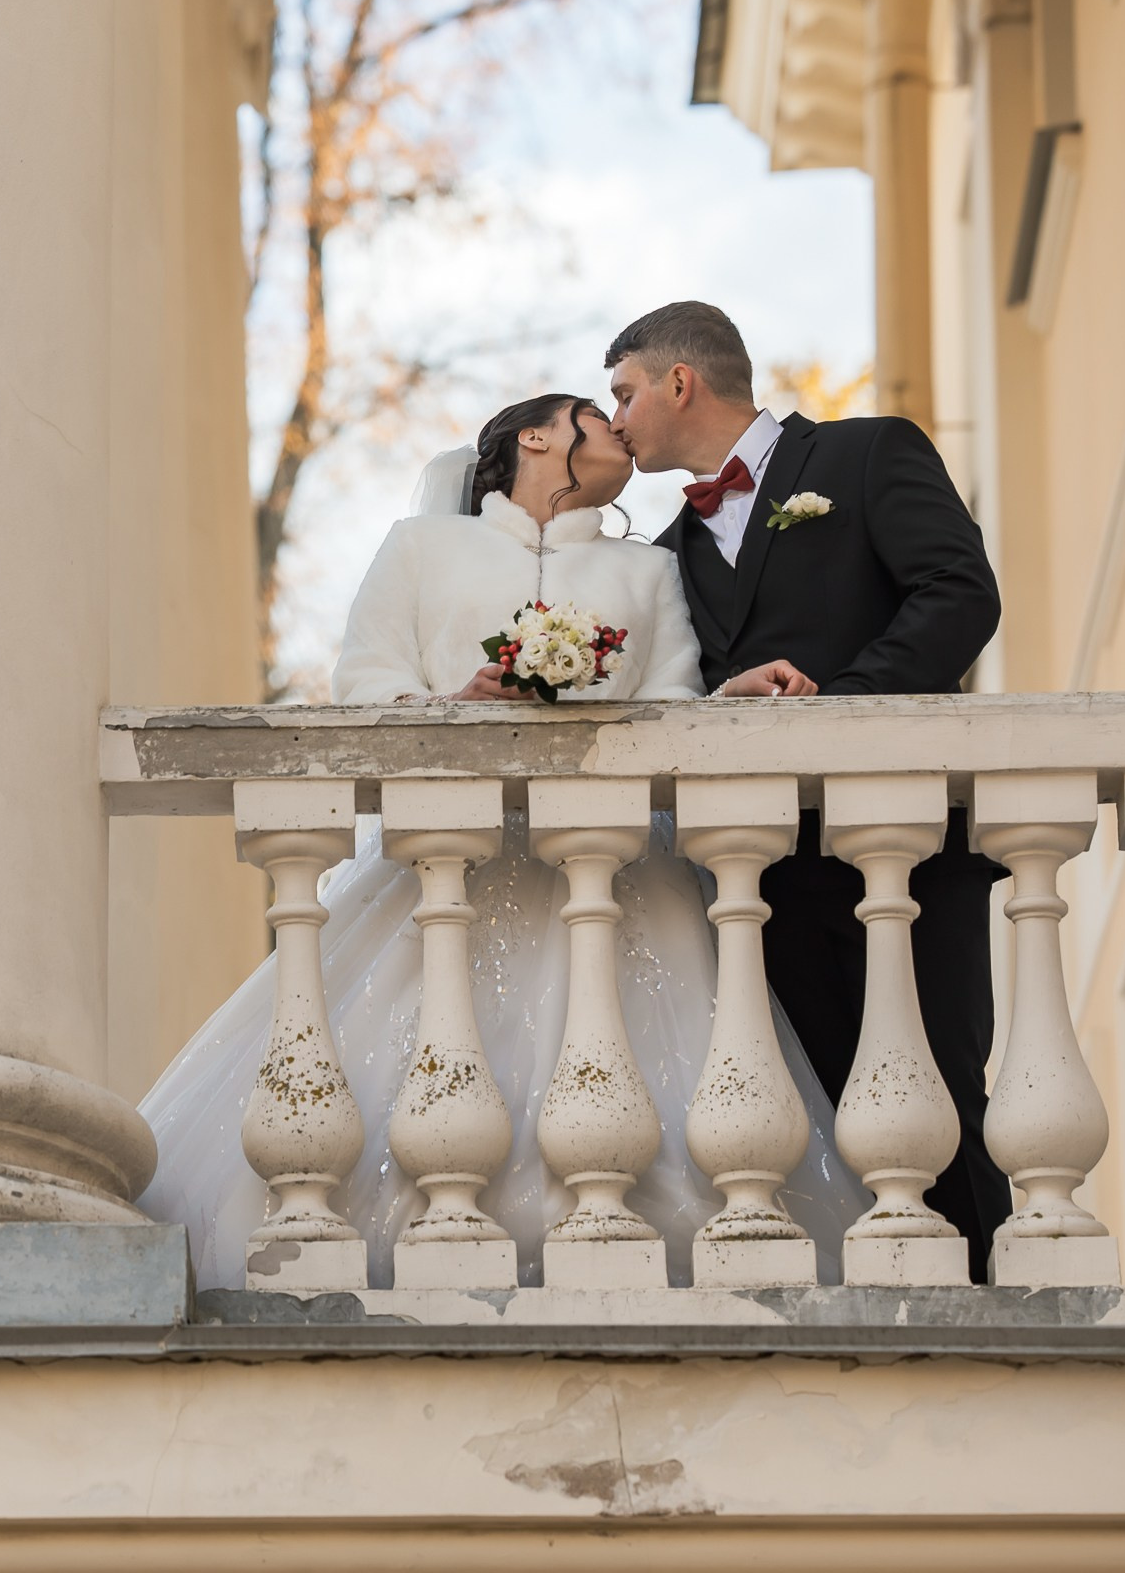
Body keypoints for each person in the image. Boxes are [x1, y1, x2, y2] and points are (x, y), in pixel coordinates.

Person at [136, 393, 868, 1290]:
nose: (622, 432)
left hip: (615, 871)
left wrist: (731, 699)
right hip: (450, 866)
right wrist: (455, 705)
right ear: (538, 436)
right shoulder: (420, 550)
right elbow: (367, 678)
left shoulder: (646, 571)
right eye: (598, 418)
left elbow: (670, 706)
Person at [606, 300, 1008, 1278]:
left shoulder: (868, 455)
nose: (615, 418)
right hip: (761, 882)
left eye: (623, 392)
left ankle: (990, 1306)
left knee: (941, 1101)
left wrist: (837, 710)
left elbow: (960, 595)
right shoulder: (661, 561)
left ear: (680, 381)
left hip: (909, 850)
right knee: (817, 1120)